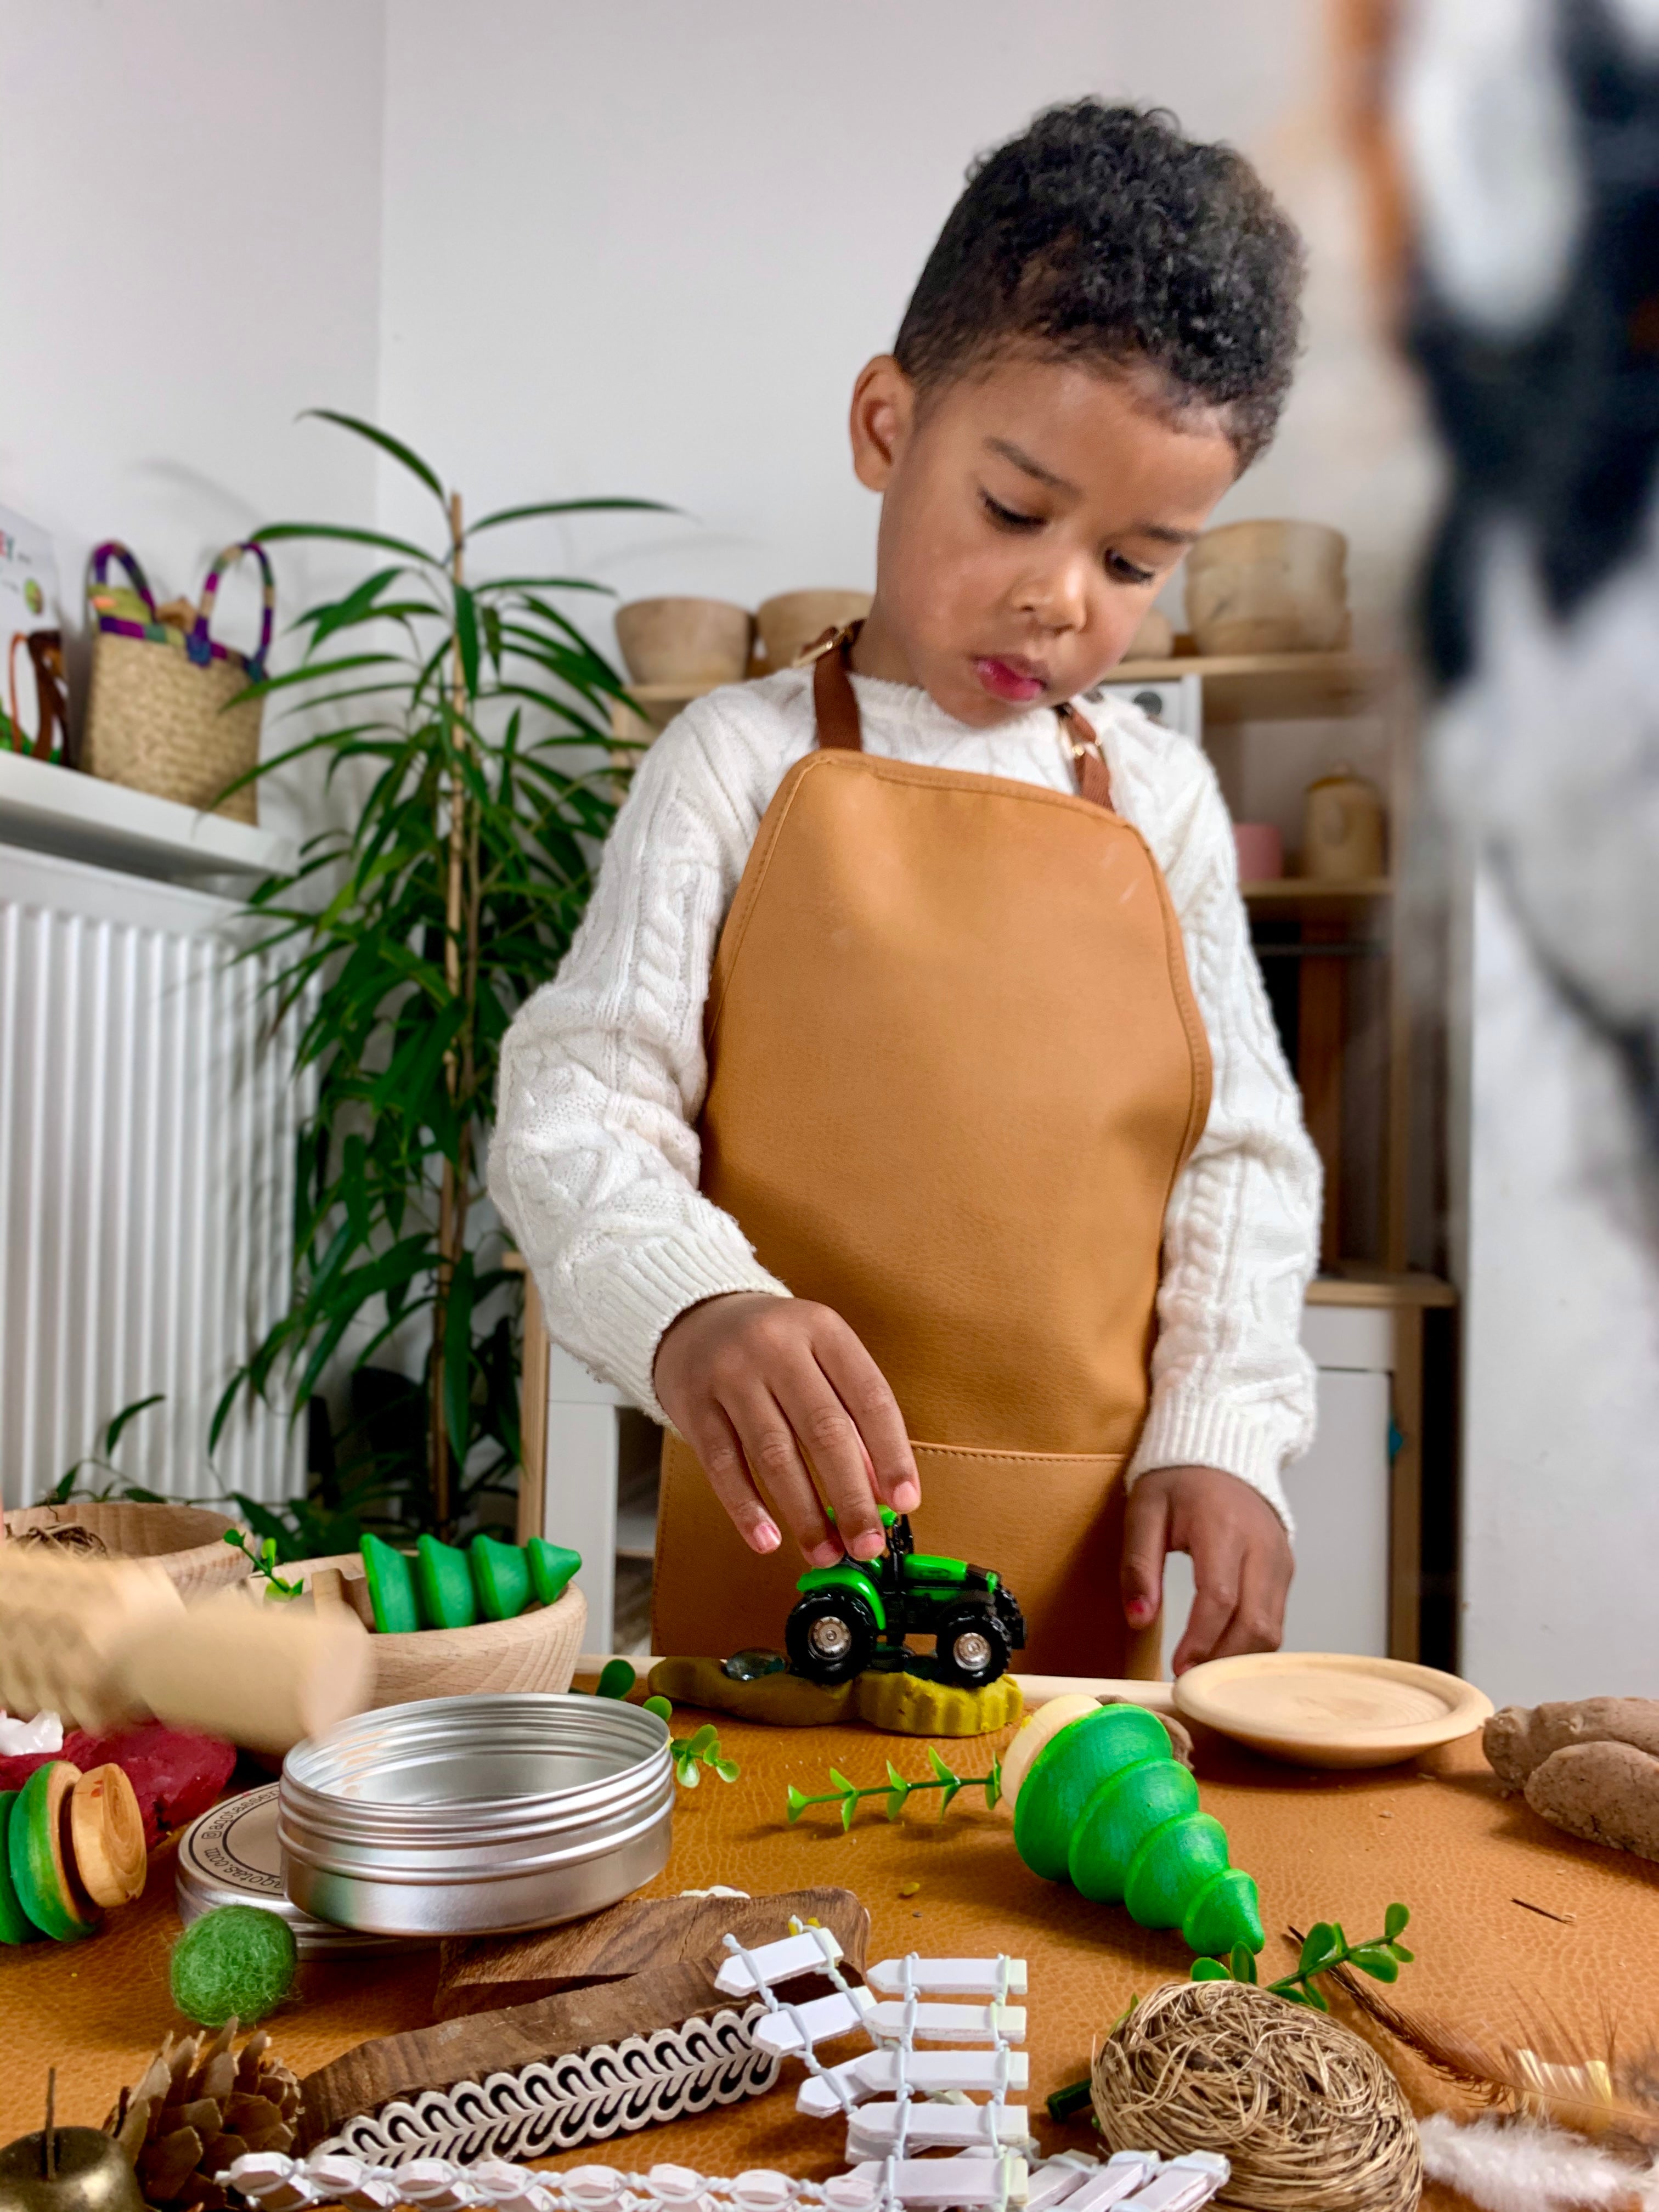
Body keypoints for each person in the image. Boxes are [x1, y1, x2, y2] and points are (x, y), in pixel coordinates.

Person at [489, 100, 1320, 1679]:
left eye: (1138, 562)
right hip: (784, 1565)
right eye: (1016, 510)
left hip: (1092, 1581)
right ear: (887, 424)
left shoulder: (1166, 807)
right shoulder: (730, 765)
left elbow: (1243, 1167)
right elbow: (578, 1109)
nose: (1060, 594)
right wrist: (694, 1310)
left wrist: (1220, 1432)